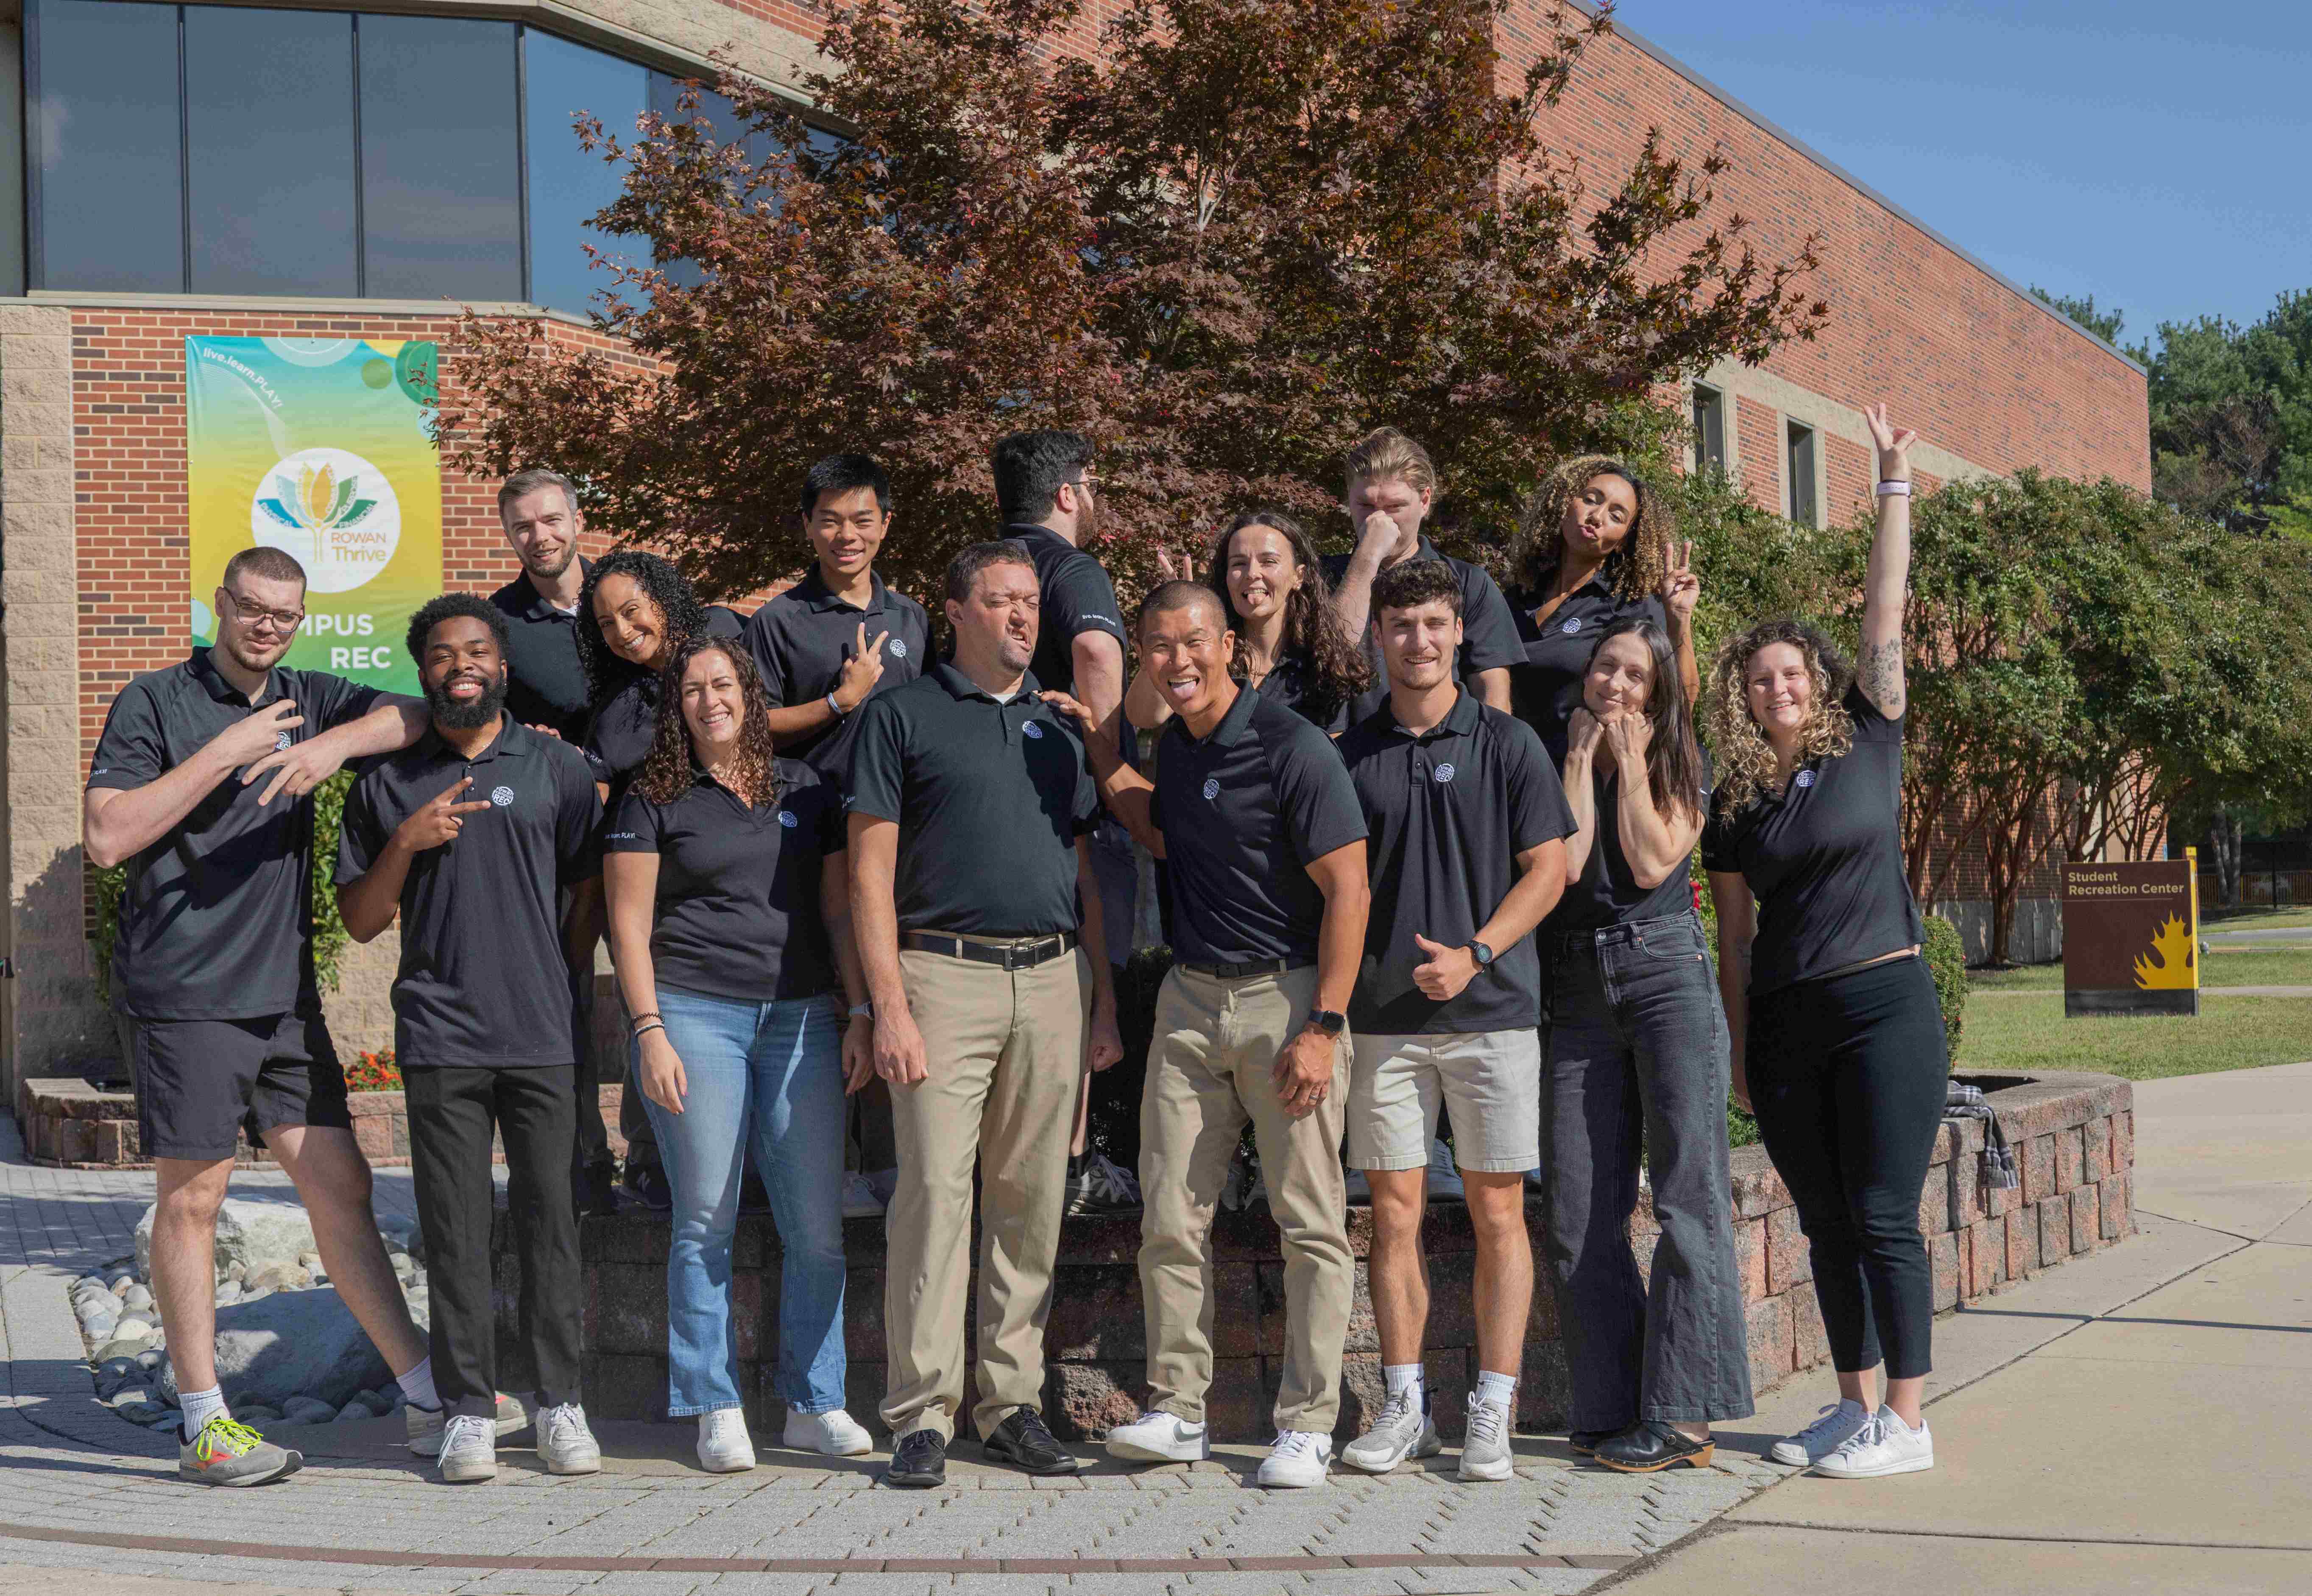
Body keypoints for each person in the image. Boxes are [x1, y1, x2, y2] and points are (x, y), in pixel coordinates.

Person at [83, 546, 435, 1488]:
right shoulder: (154, 701)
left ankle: (428, 1393)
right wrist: (223, 755)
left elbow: (416, 711)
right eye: (252, 608)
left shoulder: (307, 698)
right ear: (220, 606)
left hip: (282, 996)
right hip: (184, 992)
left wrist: (329, 746)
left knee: (341, 1185)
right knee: (193, 1200)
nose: (267, 626)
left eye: (286, 614)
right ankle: (207, 1423)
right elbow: (109, 834)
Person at [1053, 581, 1370, 1490]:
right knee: (1167, 1217)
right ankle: (1178, 1410)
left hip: (1286, 1001)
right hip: (1190, 1003)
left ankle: (1308, 1423)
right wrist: (1105, 748)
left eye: (1192, 643)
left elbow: (1348, 889)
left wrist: (1322, 1025)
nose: (1176, 660)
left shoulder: (1291, 747)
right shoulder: (1178, 748)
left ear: (1227, 644)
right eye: (1157, 646)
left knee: (1307, 1222)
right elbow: (1157, 829)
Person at [847, 540, 1125, 1488]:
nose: (1021, 617)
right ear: (955, 611)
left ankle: (1008, 1404)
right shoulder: (901, 715)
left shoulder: (1058, 729)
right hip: (941, 978)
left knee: (1029, 1198)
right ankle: (920, 1413)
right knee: (932, 1195)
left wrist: (1099, 1000)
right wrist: (886, 1005)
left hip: (1051, 980)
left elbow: (1085, 876)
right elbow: (867, 874)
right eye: (1000, 600)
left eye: (1030, 604)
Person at [1703, 403, 1944, 1481]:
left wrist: (1892, 480)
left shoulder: (1871, 735)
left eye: (1793, 670)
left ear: (1819, 673)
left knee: (1887, 1214)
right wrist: (1744, 1052)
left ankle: (1911, 1417)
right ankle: (1853, 1408)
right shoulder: (1736, 805)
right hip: (1792, 1025)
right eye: (1760, 678)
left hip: (1885, 1004)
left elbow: (1886, 607)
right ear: (1743, 697)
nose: (1779, 686)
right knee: (1829, 1225)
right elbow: (1735, 941)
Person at [336, 594, 606, 1485]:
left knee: (550, 1225)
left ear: (501, 666)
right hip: (441, 1036)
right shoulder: (386, 780)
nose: (463, 664)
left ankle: (561, 1404)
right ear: (423, 672)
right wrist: (407, 845)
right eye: (445, 653)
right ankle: (467, 1410)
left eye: (478, 650)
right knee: (454, 1230)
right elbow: (363, 919)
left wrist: (553, 979)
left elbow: (583, 889)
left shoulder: (553, 767)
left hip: (540, 1032)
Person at [604, 637, 875, 1472]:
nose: (708, 699)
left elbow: (837, 915)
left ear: (751, 697)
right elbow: (627, 927)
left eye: (723, 684)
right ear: (676, 706)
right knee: (704, 1220)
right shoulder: (650, 796)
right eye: (691, 688)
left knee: (816, 1229)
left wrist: (861, 1008)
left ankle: (812, 1402)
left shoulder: (807, 789)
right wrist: (648, 1031)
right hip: (694, 1014)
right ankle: (713, 1402)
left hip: (800, 1019)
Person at [1332, 561, 1572, 1482]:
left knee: (1495, 1211)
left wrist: (1473, 953)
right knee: (1390, 1215)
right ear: (1379, 637)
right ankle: (1405, 1408)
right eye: (1401, 625)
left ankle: (1491, 1410)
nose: (1419, 640)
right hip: (1381, 1023)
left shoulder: (1507, 743)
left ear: (1458, 633)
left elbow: (1546, 870)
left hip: (1491, 1016)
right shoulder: (1350, 753)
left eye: (1434, 623)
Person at [1543, 616, 1754, 1473]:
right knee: (1573, 1207)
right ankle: (1609, 1403)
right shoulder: (1553, 754)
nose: (1617, 686)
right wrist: (1572, 761)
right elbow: (1563, 867)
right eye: (1606, 669)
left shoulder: (1676, 760)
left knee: (1684, 1195)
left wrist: (1628, 761)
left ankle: (1683, 1417)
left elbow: (1646, 861)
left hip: (1663, 972)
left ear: (1657, 693)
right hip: (1574, 987)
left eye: (1636, 676)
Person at [742, 454, 926, 1219]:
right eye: (828, 519)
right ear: (806, 525)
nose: (844, 534)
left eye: (860, 518)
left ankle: (894, 1161)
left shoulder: (911, 616)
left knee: (898, 988)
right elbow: (750, 728)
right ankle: (837, 1165)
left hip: (903, 835)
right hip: (816, 836)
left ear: (885, 523)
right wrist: (836, 701)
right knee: (838, 994)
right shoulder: (779, 621)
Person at [990, 429, 1142, 1219]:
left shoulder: (985, 567)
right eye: (1091, 483)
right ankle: (1079, 1164)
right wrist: (1113, 762)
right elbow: (1092, 648)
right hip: (1076, 804)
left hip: (999, 806)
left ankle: (1031, 1159)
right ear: (1068, 492)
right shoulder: (1071, 567)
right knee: (1090, 977)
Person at [576, 550, 745, 1213]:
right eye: (605, 623)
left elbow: (768, 726)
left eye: (630, 610)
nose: (621, 630)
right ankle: (649, 1161)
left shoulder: (723, 641)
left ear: (663, 598)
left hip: (736, 866)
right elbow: (594, 782)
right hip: (653, 880)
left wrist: (836, 703)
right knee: (657, 1016)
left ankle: (741, 1167)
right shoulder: (619, 703)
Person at [488, 467, 616, 1214]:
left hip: (653, 827)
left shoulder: (623, 592)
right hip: (556, 841)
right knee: (560, 991)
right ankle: (581, 1162)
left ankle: (663, 1156)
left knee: (658, 990)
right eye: (522, 527)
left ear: (576, 517)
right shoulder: (500, 622)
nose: (539, 536)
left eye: (549, 519)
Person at [1503, 456, 1700, 762]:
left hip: (1576, 779)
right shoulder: (1518, 595)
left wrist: (1679, 619)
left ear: (1623, 541)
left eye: (1616, 516)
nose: (1596, 516)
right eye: (1590, 500)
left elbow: (1681, 699)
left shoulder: (1631, 608)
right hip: (1504, 769)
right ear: (1566, 505)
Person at [1325, 427, 1523, 725]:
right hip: (1338, 756)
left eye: (1395, 506)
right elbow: (1329, 650)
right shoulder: (1319, 577)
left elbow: (1492, 692)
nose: (1379, 520)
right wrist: (1366, 558)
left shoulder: (1469, 582)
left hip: (1438, 754)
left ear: (1425, 501)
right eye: (1364, 505)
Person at [1127, 510, 1369, 735]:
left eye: (1269, 561)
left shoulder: (1323, 663)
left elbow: (1327, 764)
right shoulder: (1207, 650)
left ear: (1299, 576)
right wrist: (1177, 627)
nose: (1252, 573)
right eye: (1239, 564)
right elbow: (1145, 716)